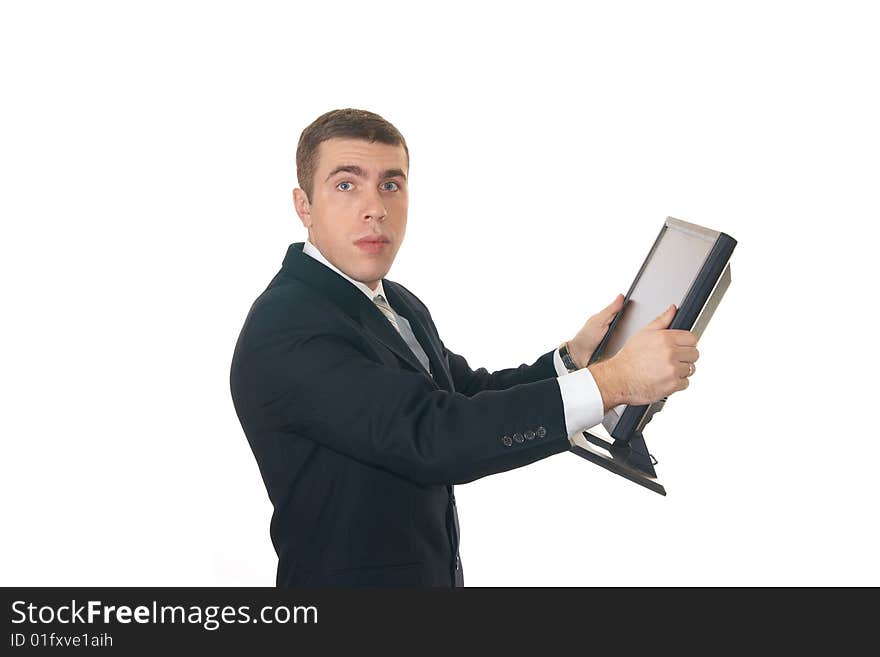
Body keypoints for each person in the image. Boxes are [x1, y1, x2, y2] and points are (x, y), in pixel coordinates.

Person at [229, 108, 699, 586]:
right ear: (304, 205)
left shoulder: (391, 300)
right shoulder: (286, 327)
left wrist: (574, 361)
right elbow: (435, 435)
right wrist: (611, 383)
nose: (375, 208)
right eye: (346, 185)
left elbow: (462, 396)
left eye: (391, 184)